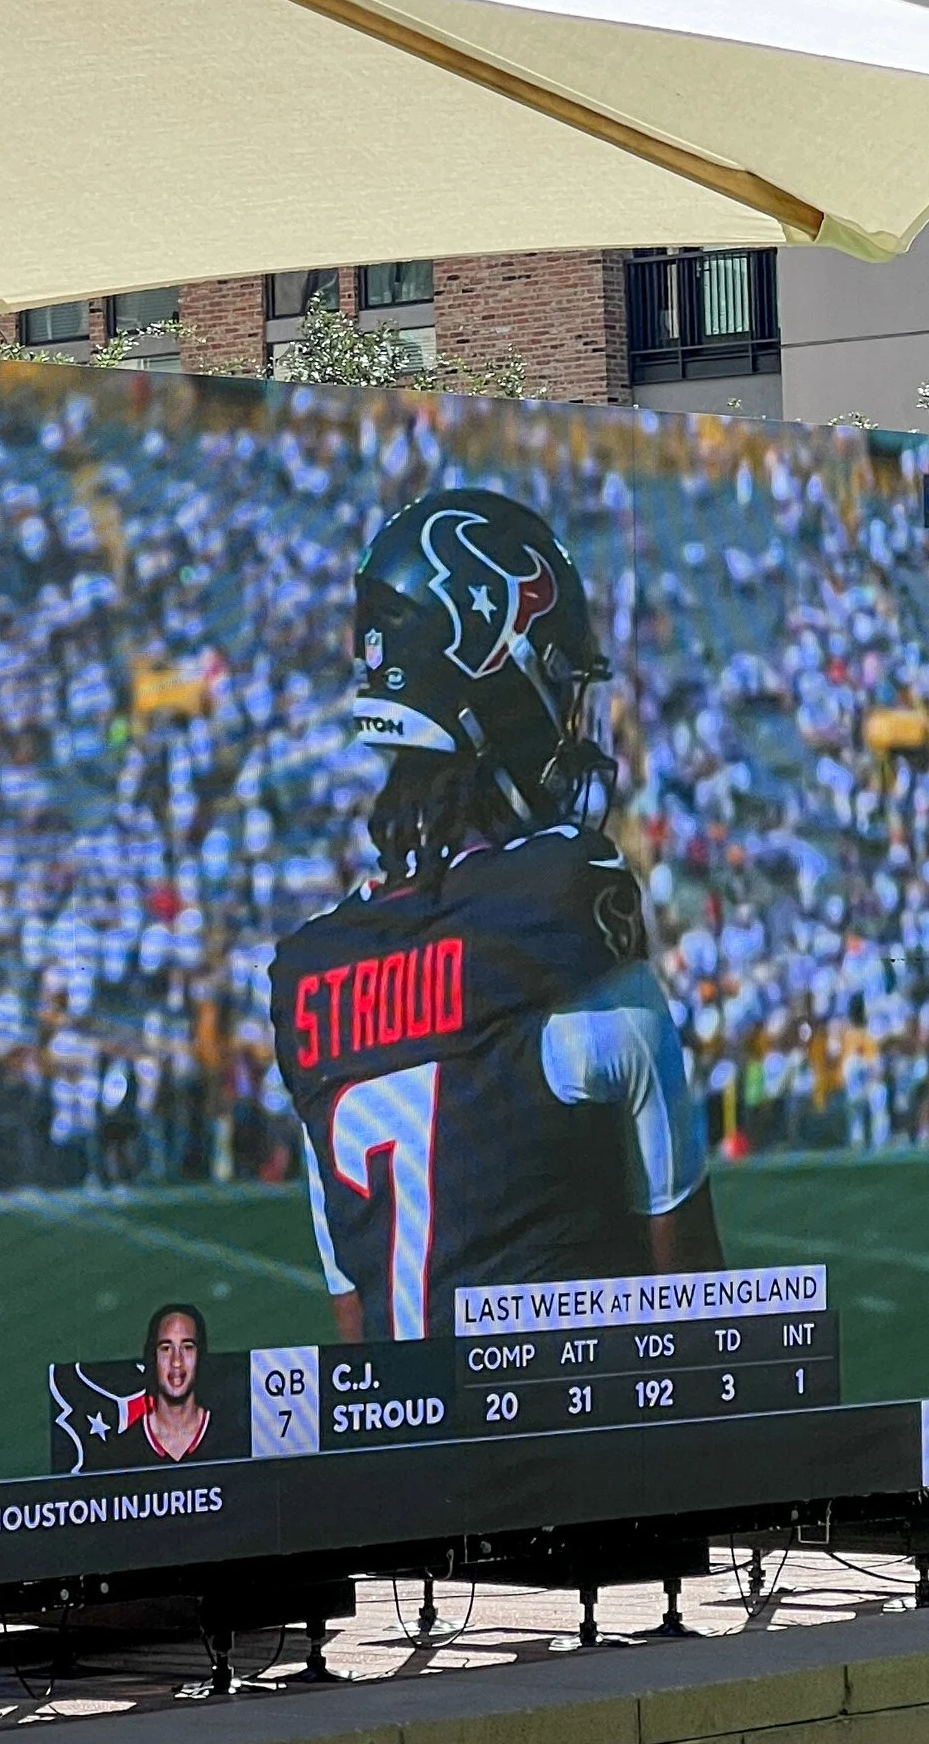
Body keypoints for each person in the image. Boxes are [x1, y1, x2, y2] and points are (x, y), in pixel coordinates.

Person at [268, 489, 721, 1345]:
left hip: (402, 1466)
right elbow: (698, 1336)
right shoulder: (575, 931)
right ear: (494, 679)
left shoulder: (309, 984)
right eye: (552, 679)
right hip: (570, 1458)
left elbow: (357, 1342)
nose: (568, 716)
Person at [136, 1302, 213, 1463]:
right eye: (166, 1348)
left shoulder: (233, 1439)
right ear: (153, 1358)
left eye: (187, 1347)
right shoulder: (124, 1449)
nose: (176, 1361)